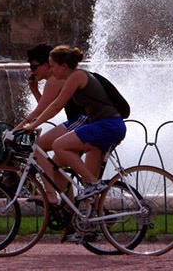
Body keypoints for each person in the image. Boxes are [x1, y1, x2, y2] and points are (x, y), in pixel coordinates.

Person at [20, 45, 126, 200]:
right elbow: (50, 106)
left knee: (59, 145)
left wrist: (32, 126)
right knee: (88, 191)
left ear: (64, 66)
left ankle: (92, 184)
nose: (51, 71)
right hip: (105, 126)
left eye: (53, 66)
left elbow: (56, 106)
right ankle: (96, 218)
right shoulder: (74, 77)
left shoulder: (76, 77)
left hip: (107, 125)